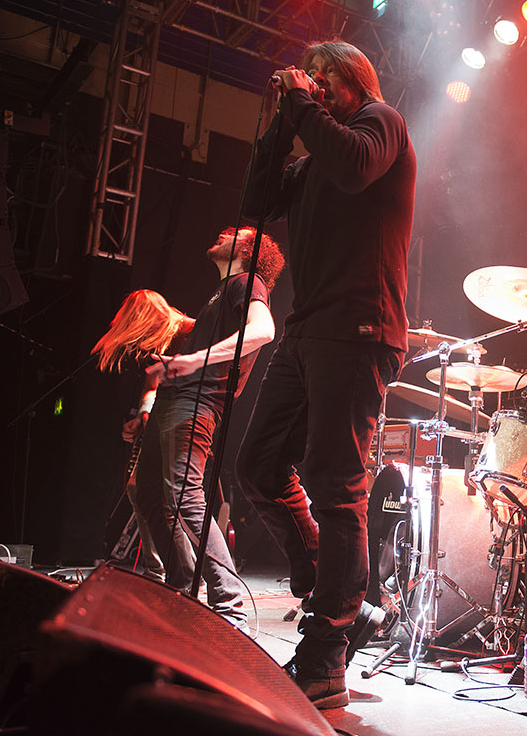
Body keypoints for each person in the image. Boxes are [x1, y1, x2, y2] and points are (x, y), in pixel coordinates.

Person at [237, 40, 415, 709]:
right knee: (257, 465)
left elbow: (354, 167)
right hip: (307, 331)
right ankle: (335, 585)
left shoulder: (380, 124)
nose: (311, 85)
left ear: (352, 78)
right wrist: (280, 126)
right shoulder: (312, 154)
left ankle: (324, 657)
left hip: (359, 328)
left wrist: (303, 107)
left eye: (321, 77)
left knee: (337, 486)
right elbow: (256, 201)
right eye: (306, 79)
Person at [99, 227, 283, 631]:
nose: (223, 232)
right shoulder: (221, 293)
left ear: (248, 249)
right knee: (149, 495)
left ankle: (230, 602)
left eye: (234, 233)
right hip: (174, 401)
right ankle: (180, 588)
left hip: (197, 403)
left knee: (185, 495)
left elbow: (263, 330)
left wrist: (195, 360)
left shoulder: (246, 282)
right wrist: (146, 409)